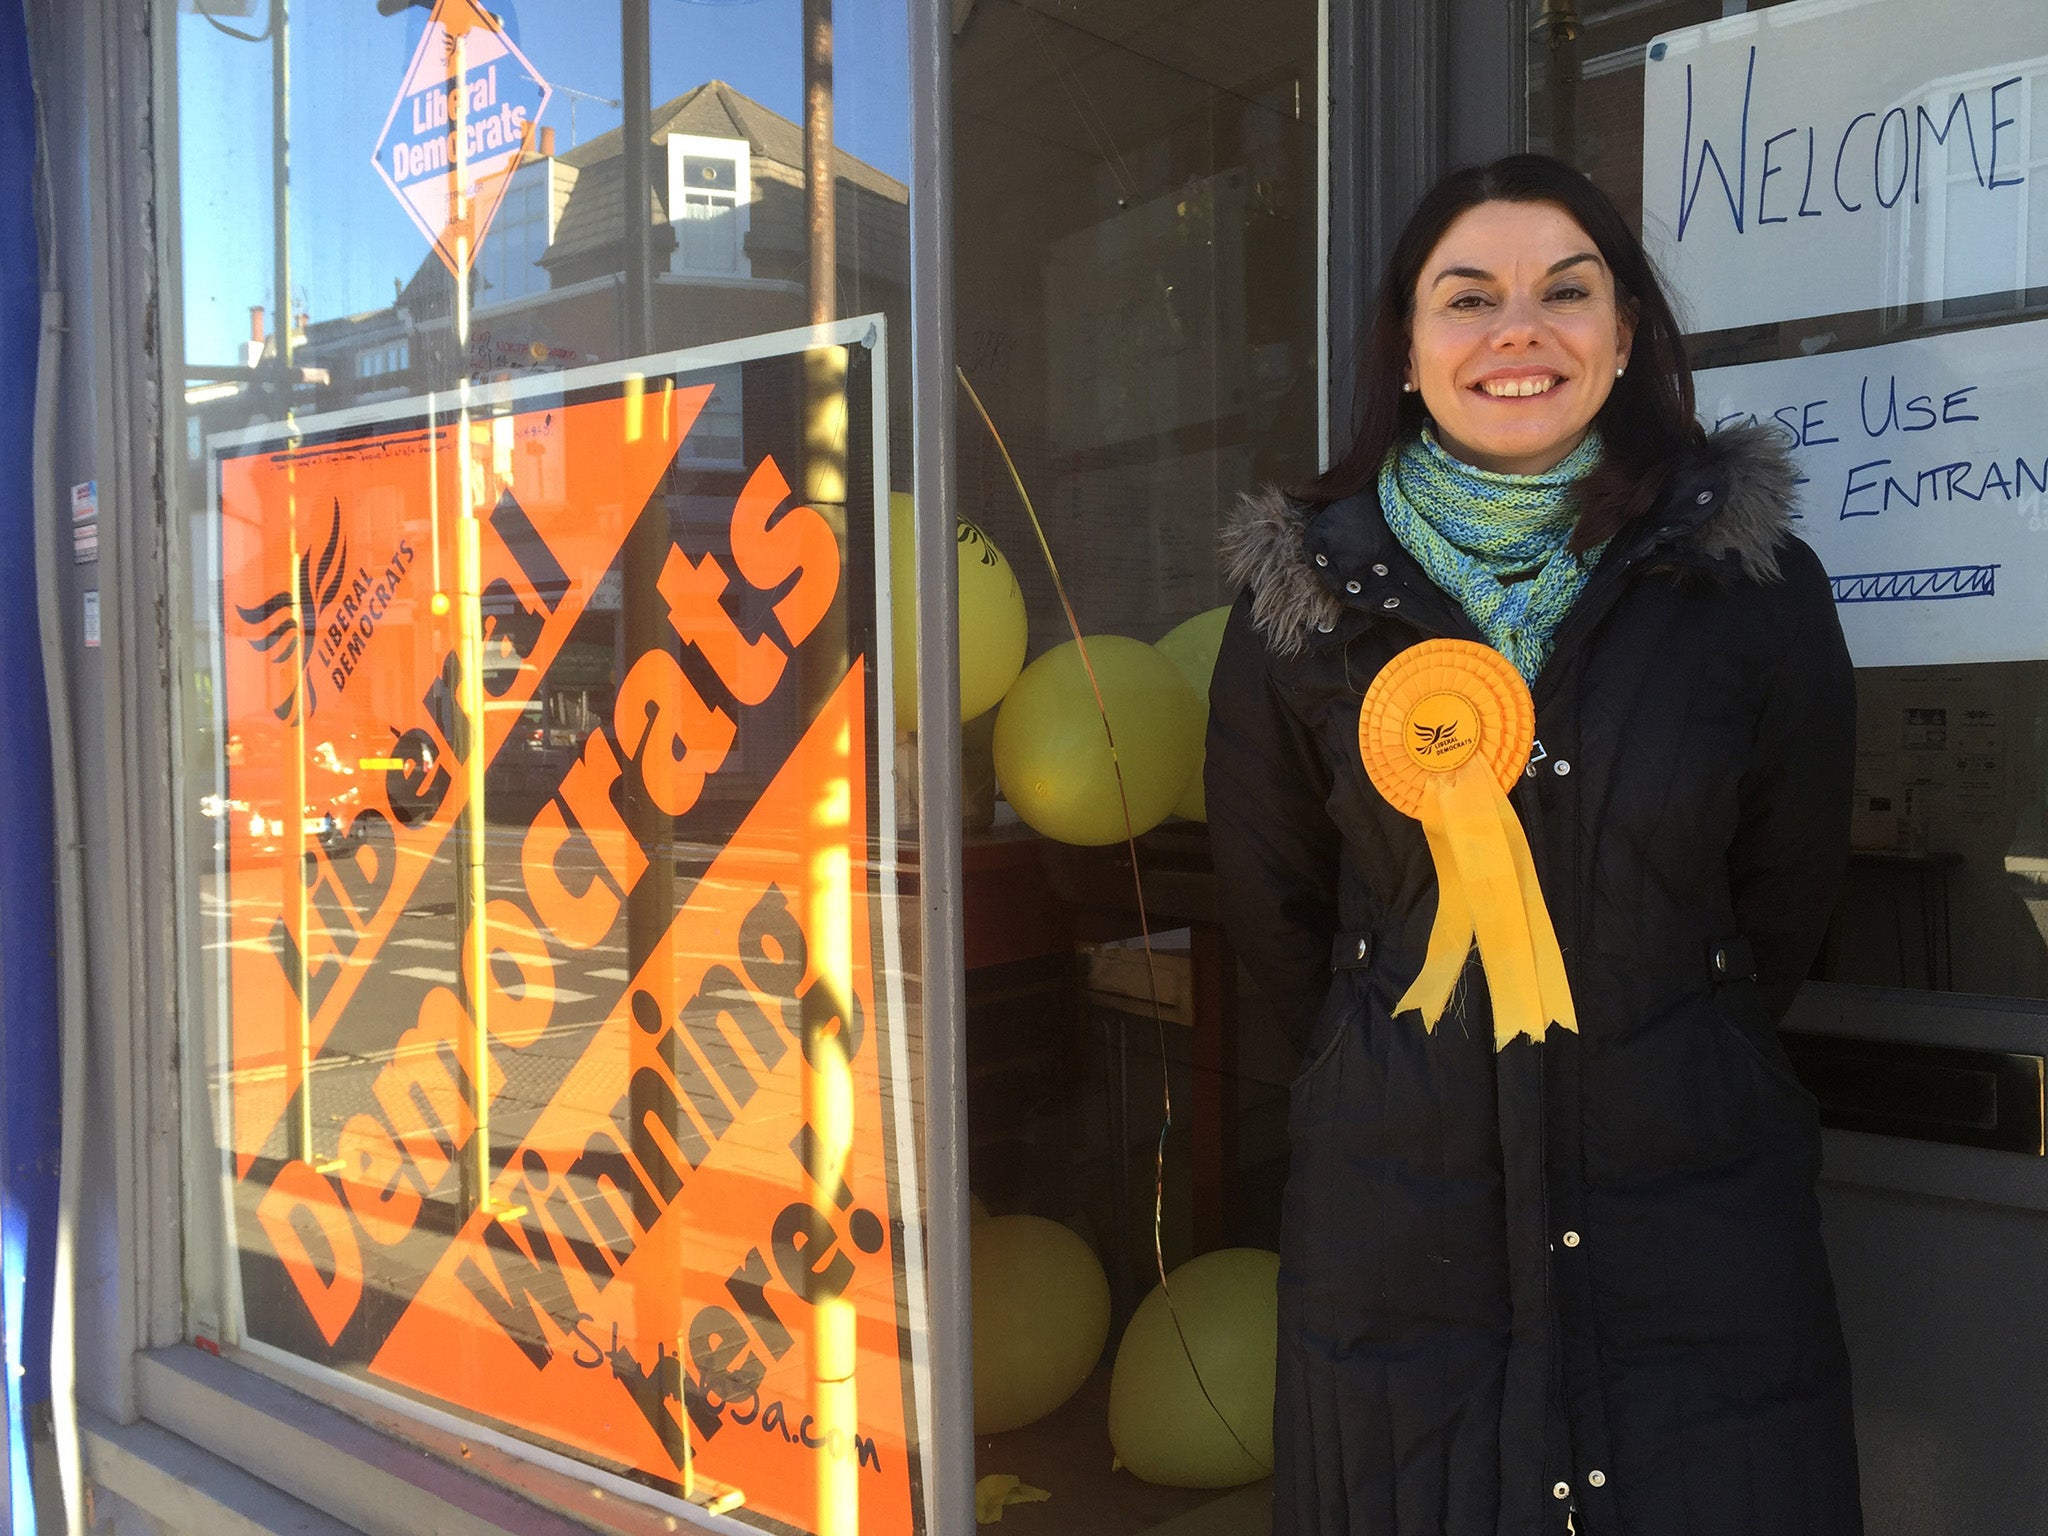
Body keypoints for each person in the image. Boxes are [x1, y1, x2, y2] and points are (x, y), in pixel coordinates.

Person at [1206, 154, 1861, 1535]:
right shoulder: (1305, 602)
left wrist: (1678, 1021)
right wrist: (1377, 1057)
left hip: (1691, 1228)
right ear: (1408, 344)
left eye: (1566, 291)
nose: (1519, 330)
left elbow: (1784, 895)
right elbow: (1274, 907)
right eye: (1469, 297)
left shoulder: (1751, 589)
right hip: (1396, 1240)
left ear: (1624, 334)